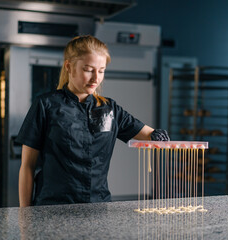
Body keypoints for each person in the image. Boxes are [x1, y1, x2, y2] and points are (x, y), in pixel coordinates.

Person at [17, 35, 169, 207]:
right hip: (53, 207)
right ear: (69, 67)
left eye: (101, 70)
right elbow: (27, 167)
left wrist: (158, 135)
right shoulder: (46, 105)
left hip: (97, 206)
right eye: (88, 69)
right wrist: (25, 215)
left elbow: (148, 134)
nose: (96, 78)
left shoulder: (110, 109)